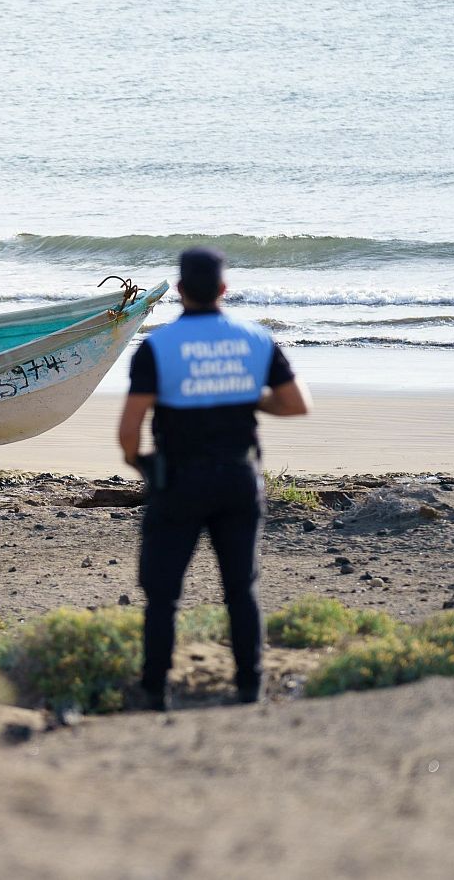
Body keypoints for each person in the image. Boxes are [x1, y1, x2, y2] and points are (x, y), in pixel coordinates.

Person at [117, 247, 311, 711]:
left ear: (180, 291)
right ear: (224, 289)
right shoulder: (255, 339)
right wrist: (248, 397)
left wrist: (142, 464)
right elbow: (295, 404)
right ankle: (249, 686)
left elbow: (129, 432)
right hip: (239, 480)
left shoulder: (158, 347)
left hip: (180, 481)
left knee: (162, 595)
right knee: (241, 589)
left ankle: (155, 692)